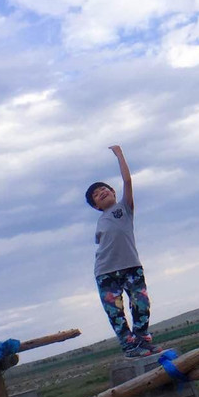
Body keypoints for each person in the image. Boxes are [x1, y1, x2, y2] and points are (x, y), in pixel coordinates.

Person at [86, 145, 161, 357]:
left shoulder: (124, 208)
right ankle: (130, 347)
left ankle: (142, 339)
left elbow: (128, 181)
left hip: (131, 267)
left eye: (104, 189)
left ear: (114, 192)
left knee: (141, 303)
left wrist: (119, 155)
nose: (101, 192)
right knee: (115, 311)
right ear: (96, 206)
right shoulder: (101, 221)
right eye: (96, 195)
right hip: (106, 272)